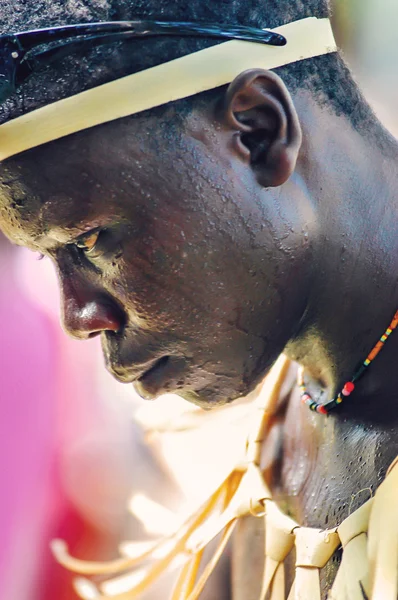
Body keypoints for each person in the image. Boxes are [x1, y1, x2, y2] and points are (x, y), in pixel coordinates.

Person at [0, 0, 397, 598]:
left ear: (259, 134)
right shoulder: (258, 441)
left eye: (87, 241)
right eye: (46, 258)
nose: (78, 318)